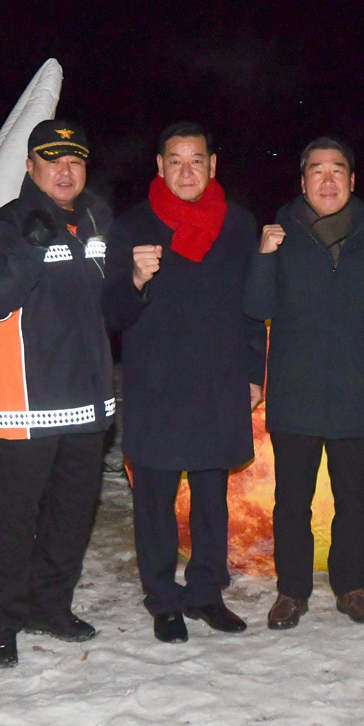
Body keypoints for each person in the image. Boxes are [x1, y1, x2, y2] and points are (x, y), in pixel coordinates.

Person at [102, 122, 265, 643]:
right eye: (176, 160)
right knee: (155, 499)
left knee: (212, 495)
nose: (187, 170)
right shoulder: (132, 226)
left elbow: (251, 306)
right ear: (159, 166)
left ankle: (205, 593)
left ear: (213, 165)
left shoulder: (238, 224)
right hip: (158, 383)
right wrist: (135, 280)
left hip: (218, 378)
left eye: (197, 160)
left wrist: (254, 372)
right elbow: (112, 313)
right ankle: (163, 599)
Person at [244, 137, 364, 629]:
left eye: (337, 170)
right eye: (316, 171)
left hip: (355, 390)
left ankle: (351, 587)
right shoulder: (280, 236)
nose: (327, 180)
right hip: (294, 391)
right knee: (291, 503)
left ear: (352, 180)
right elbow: (256, 307)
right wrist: (263, 255)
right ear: (303, 181)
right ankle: (291, 592)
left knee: (354, 500)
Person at [0, 120, 114, 668]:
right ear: (30, 167)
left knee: (71, 516)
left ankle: (50, 607)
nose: (65, 170)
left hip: (88, 399)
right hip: (26, 402)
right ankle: (2, 621)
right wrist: (32, 247)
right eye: (52, 160)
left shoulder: (99, 220)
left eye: (75, 160)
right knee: (12, 520)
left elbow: (113, 303)